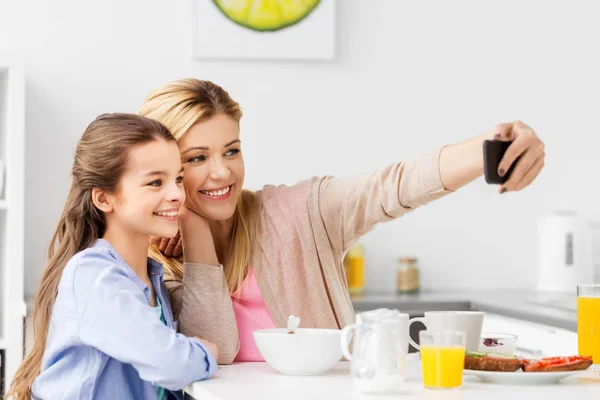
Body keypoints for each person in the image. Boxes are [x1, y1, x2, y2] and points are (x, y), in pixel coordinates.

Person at [141, 79, 545, 364]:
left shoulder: (298, 212)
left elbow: (395, 185)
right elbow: (217, 347)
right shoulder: (156, 262)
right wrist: (194, 230)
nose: (222, 173)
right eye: (196, 158)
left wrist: (493, 147)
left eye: (231, 151)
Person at [7, 114, 218, 400]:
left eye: (178, 179)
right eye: (155, 183)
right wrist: (206, 351)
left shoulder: (151, 275)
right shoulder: (94, 275)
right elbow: (173, 364)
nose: (177, 194)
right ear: (104, 199)